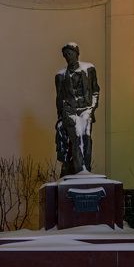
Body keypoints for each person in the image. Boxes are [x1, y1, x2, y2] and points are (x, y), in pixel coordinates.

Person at [55, 42, 100, 177]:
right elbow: (59, 97)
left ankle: (86, 168)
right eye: (65, 55)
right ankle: (81, 171)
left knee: (86, 137)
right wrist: (60, 116)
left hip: (86, 108)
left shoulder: (89, 69)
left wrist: (92, 108)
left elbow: (95, 91)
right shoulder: (60, 76)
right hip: (70, 110)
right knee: (75, 138)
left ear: (76, 53)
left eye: (70, 53)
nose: (68, 56)